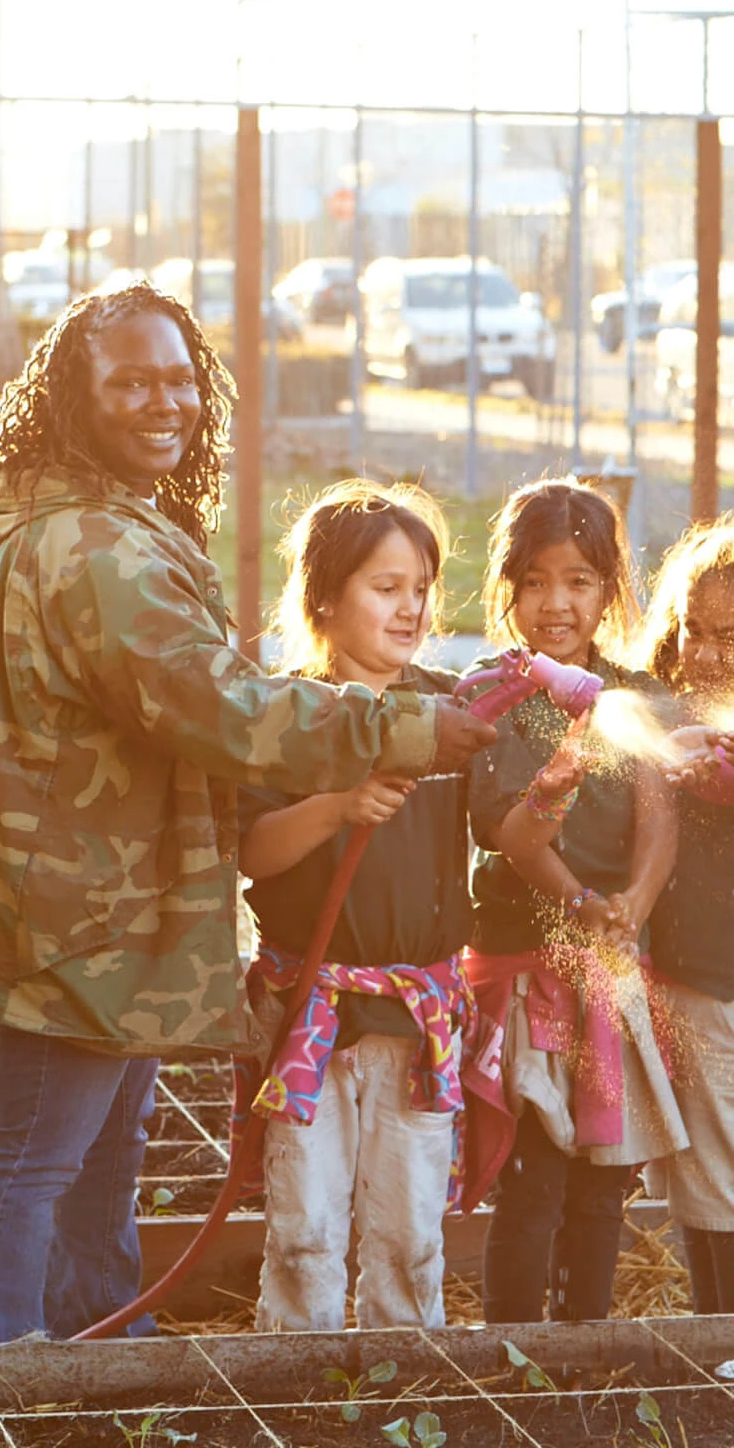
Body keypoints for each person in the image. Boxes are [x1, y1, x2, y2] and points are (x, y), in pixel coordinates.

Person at [0, 282, 496, 1344]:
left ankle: (103, 1340)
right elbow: (220, 705)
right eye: (131, 382)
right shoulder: (95, 548)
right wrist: (400, 728)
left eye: (180, 379)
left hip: (88, 893)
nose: (167, 402)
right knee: (29, 1152)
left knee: (105, 1144)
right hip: (59, 908)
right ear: (75, 398)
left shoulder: (87, 519)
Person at [237, 481, 477, 1333]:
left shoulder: (448, 712)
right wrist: (339, 805)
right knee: (304, 1222)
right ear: (324, 600)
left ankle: (402, 1372)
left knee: (411, 1228)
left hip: (414, 1015)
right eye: (386, 587)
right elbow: (252, 850)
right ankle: (296, 1367)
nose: (410, 607)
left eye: (421, 588)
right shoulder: (288, 715)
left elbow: (504, 821)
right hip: (312, 1007)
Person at [463, 478, 685, 1325]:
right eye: (535, 582)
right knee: (535, 1181)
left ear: (609, 588)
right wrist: (583, 901)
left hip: (615, 969)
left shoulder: (633, 695)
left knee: (603, 1184)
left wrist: (633, 903)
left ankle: (584, 1347)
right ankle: (513, 1352)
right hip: (529, 971)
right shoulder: (494, 694)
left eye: (579, 581)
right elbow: (511, 833)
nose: (556, 603)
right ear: (509, 586)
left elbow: (659, 816)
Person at [640, 513, 734, 1312]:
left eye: (729, 636)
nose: (705, 654)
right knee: (708, 1177)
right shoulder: (668, 725)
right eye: (692, 630)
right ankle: (719, 1340)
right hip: (699, 985)